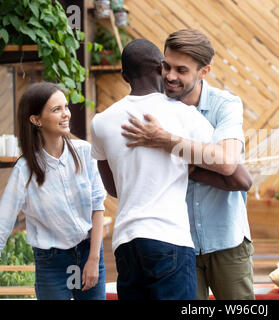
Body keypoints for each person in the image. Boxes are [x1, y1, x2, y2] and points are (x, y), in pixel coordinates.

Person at [121, 29, 255, 300]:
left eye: (181, 70)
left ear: (204, 71)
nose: (170, 76)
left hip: (227, 239)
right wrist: (199, 162)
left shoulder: (225, 106)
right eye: (166, 67)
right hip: (177, 245)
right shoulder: (153, 106)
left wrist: (165, 141)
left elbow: (228, 163)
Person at [90, 39, 215, 300]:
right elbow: (220, 160)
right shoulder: (185, 115)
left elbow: (111, 187)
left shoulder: (100, 122)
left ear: (124, 75)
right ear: (161, 68)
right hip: (169, 237)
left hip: (126, 243)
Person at [0, 82, 106, 300]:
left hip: (89, 253)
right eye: (56, 109)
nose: (66, 114)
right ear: (36, 120)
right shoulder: (25, 170)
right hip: (51, 263)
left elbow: (98, 205)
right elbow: (3, 222)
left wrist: (93, 259)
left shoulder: (85, 153)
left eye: (65, 107)